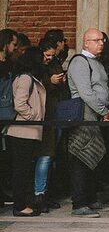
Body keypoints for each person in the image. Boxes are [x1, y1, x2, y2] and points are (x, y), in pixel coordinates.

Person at [66, 28, 109, 217]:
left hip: (96, 115)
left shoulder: (96, 62)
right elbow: (86, 93)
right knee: (81, 156)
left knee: (94, 156)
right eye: (96, 40)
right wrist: (104, 111)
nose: (101, 43)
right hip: (84, 115)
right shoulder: (80, 61)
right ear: (86, 42)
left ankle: (91, 199)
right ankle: (79, 203)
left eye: (102, 40)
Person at [6, 47, 47, 216]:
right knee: (21, 170)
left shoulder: (27, 77)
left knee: (22, 169)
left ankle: (22, 203)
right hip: (23, 130)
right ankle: (20, 206)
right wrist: (33, 116)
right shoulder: (25, 78)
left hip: (27, 130)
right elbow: (20, 103)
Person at [33, 34, 68, 213]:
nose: (49, 59)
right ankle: (39, 194)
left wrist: (61, 81)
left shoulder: (54, 64)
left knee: (51, 156)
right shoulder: (33, 67)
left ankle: (45, 193)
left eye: (52, 56)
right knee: (44, 156)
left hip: (54, 115)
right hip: (40, 117)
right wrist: (50, 81)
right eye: (46, 55)